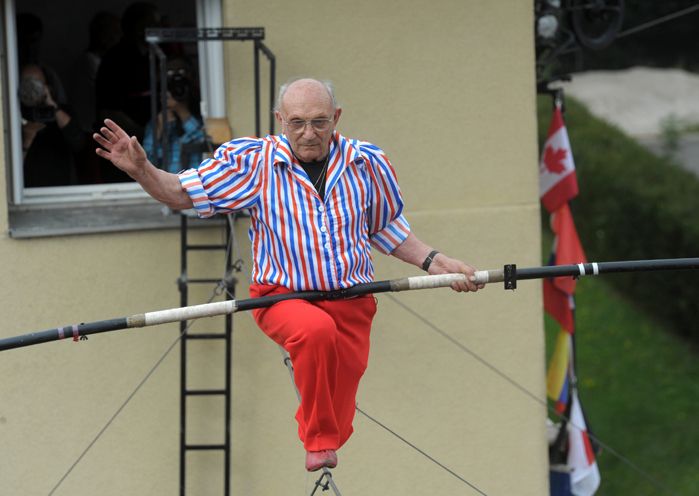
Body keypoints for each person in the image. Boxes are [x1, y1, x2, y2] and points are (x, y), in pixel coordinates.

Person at [94, 77, 484, 472]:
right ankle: (315, 441)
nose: (308, 134)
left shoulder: (368, 163)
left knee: (340, 419)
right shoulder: (253, 163)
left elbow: (386, 228)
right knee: (315, 334)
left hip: (352, 299)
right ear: (280, 120)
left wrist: (436, 261)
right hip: (282, 297)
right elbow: (179, 192)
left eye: (318, 122)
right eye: (296, 123)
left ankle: (324, 435)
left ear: (336, 118)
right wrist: (143, 170)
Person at [21, 64, 85, 187]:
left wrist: (52, 106)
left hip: (59, 188)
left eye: (36, 84)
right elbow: (10, 172)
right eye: (26, 84)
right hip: (29, 190)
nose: (31, 90)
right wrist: (27, 139)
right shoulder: (15, 116)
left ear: (47, 86)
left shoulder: (61, 113)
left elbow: (78, 142)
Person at [143, 57, 206, 173]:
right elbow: (145, 163)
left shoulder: (204, 114)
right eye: (170, 72)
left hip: (197, 186)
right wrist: (160, 129)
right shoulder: (157, 122)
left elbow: (206, 144)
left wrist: (182, 111)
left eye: (182, 71)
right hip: (167, 188)